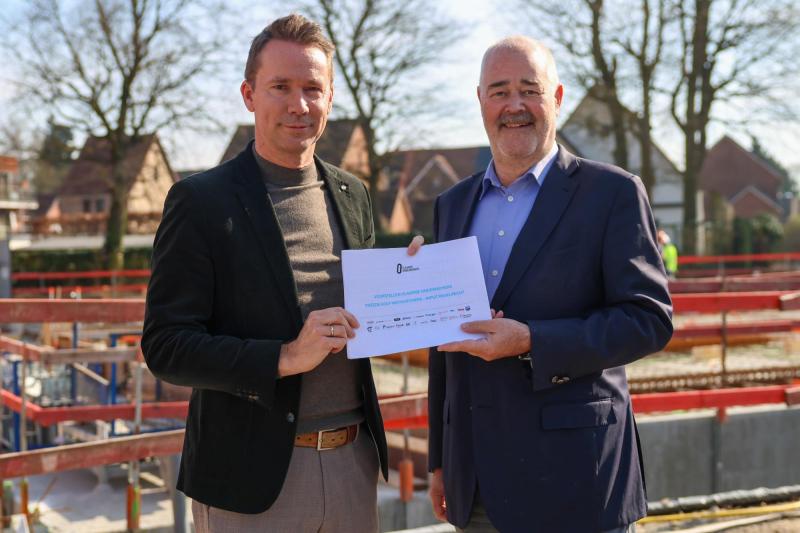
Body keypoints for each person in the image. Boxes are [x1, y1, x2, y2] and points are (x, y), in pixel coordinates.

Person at [142, 14, 415, 532]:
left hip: (354, 465)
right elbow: (166, 346)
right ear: (249, 95)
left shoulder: (353, 194)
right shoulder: (200, 201)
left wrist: (414, 280)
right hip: (250, 481)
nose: (299, 104)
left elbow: (372, 314)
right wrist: (285, 357)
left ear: (330, 97)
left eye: (313, 88)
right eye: (280, 87)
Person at [426, 37, 673, 533]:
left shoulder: (613, 193)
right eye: (499, 91)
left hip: (577, 479)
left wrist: (532, 341)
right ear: (480, 101)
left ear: (556, 98)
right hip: (477, 483)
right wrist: (440, 459)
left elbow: (648, 320)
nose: (514, 105)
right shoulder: (451, 204)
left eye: (529, 90)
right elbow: (442, 341)